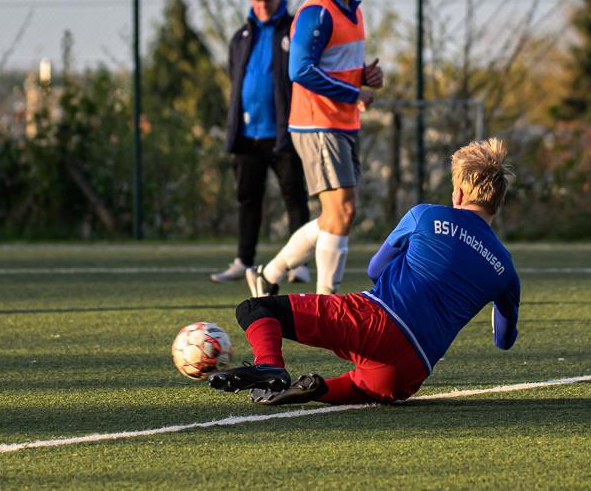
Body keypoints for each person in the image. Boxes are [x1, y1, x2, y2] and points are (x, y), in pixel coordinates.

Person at [210, 138, 521, 406]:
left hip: (374, 322)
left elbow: (376, 268)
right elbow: (503, 341)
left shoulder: (425, 215)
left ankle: (269, 365)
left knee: (256, 308)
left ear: (458, 195)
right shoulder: (505, 268)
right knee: (363, 384)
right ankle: (318, 389)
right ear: (500, 202)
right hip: (411, 371)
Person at [245, 0, 383, 296]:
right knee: (343, 211)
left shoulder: (354, 11)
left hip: (343, 122)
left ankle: (268, 274)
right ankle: (326, 302)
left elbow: (334, 67)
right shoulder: (315, 13)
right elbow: (300, 70)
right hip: (317, 123)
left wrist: (363, 77)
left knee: (334, 216)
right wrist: (355, 92)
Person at [211, 0, 312, 285]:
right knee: (247, 197)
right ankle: (244, 260)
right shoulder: (241, 36)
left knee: (294, 198)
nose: (262, 4)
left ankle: (299, 265)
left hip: (284, 133)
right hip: (247, 135)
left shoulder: (294, 29)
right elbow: (235, 77)